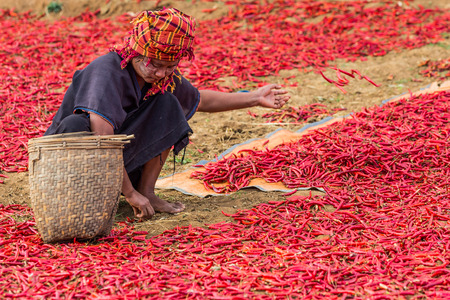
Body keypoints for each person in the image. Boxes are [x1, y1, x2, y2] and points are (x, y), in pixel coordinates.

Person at [45, 8, 290, 220]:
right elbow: (102, 138)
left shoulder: (159, 77)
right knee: (77, 124)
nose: (162, 74)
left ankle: (148, 190)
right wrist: (129, 194)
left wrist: (255, 98)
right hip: (72, 166)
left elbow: (199, 99)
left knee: (167, 103)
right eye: (155, 65)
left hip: (114, 165)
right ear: (136, 54)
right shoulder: (107, 71)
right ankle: (93, 196)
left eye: (170, 67)